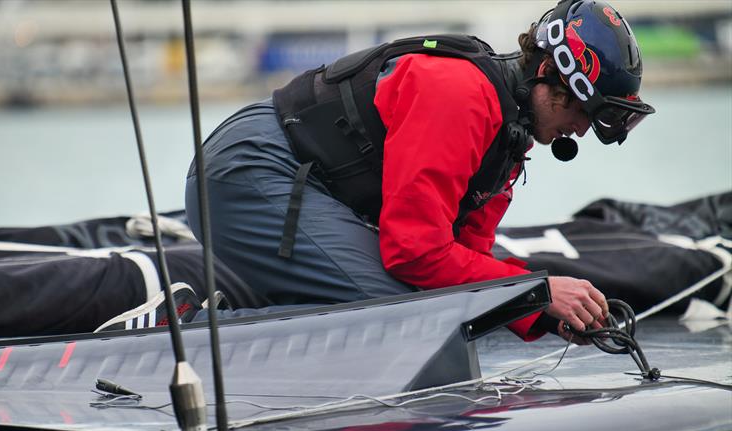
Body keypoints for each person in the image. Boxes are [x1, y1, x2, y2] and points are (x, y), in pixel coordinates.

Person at [184, 0, 655, 343]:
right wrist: (538, 291)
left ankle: (229, 316)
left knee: (434, 309)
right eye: (583, 108)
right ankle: (179, 329)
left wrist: (545, 314)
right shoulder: (462, 97)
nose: (585, 128)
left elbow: (460, 267)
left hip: (285, 174)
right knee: (402, 313)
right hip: (250, 168)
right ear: (550, 70)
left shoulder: (510, 141)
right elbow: (413, 252)